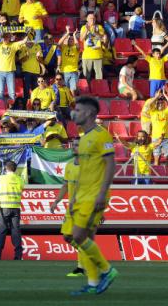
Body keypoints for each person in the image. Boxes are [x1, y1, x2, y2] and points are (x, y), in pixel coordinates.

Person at [67, 96, 118, 295]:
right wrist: (73, 198)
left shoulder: (100, 135)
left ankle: (108, 270)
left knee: (77, 236)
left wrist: (102, 194)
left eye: (78, 110)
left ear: (89, 113)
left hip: (95, 195)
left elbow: (111, 164)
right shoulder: (85, 137)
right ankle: (93, 283)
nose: (74, 114)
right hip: (82, 195)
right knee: (87, 239)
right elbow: (82, 171)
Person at [50, 139, 84, 277]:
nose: (75, 147)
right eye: (74, 145)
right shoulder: (69, 165)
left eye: (78, 145)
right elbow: (65, 185)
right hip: (70, 208)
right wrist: (56, 201)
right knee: (67, 237)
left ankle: (81, 268)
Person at [0, 160, 25, 260]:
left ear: (6, 168)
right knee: (16, 231)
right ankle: (18, 256)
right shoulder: (20, 179)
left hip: (3, 207)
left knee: (2, 231)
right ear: (15, 169)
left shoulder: (1, 178)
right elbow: (21, 189)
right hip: (15, 208)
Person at [0, 33, 25, 101]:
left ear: (10, 38)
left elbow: (24, 41)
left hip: (10, 72)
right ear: (2, 38)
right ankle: (1, 108)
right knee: (0, 92)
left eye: (7, 37)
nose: (5, 38)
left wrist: (28, 34)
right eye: (4, 37)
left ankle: (13, 109)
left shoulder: (13, 45)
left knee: (12, 93)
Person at [149, 89, 168, 166]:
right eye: (158, 103)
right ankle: (157, 176)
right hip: (156, 138)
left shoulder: (166, 112)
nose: (160, 104)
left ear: (164, 104)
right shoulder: (153, 112)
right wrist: (156, 97)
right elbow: (149, 104)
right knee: (157, 158)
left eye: (162, 103)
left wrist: (164, 95)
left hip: (165, 138)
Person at [80, 12, 106, 81]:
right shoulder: (83, 27)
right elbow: (81, 39)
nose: (93, 20)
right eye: (91, 18)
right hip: (87, 56)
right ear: (87, 19)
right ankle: (86, 90)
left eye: (94, 18)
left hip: (98, 55)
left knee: (99, 77)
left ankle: (99, 89)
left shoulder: (99, 27)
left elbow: (103, 38)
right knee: (86, 76)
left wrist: (95, 32)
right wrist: (87, 30)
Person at [58, 28, 80, 94]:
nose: (70, 40)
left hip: (74, 72)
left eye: (72, 39)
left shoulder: (75, 48)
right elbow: (59, 43)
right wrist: (67, 33)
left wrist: (74, 35)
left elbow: (77, 45)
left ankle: (73, 103)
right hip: (64, 72)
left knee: (73, 90)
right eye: (69, 39)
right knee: (66, 91)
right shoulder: (64, 47)